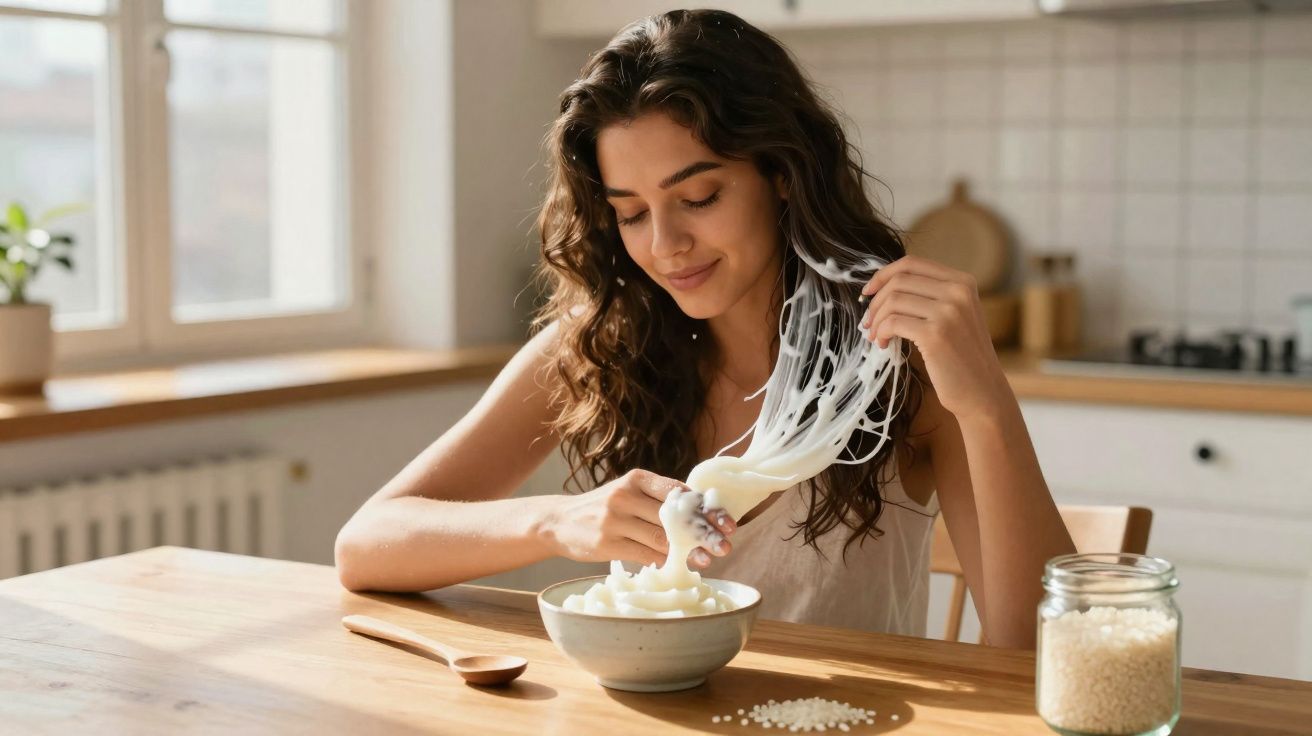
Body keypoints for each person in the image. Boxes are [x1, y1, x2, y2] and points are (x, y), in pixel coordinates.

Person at [335, 9, 1074, 649]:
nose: (665, 244)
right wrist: (559, 521)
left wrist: (986, 405)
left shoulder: (887, 362)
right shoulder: (599, 344)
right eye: (630, 212)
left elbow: (1037, 653)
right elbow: (366, 545)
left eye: (699, 195)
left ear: (782, 173)